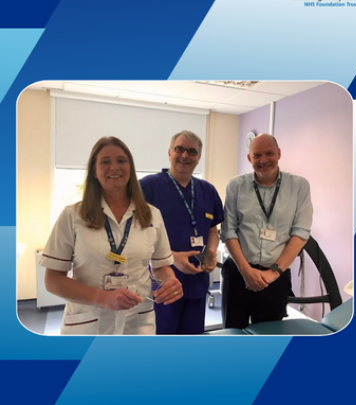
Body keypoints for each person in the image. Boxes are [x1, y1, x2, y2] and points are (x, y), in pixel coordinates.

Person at [39, 136, 183, 335]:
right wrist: (101, 297)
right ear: (94, 172)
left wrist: (169, 282)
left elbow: (161, 267)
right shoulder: (73, 216)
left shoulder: (152, 215)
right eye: (105, 161)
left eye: (121, 161)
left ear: (130, 169)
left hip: (138, 323)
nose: (114, 167)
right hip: (88, 324)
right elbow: (52, 280)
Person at [221, 134, 313, 329]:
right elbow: (229, 231)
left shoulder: (298, 186)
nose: (263, 160)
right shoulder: (236, 186)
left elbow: (301, 233)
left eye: (269, 153)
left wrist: (272, 274)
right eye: (257, 155)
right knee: (232, 333)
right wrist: (247, 272)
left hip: (275, 278)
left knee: (269, 335)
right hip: (238, 274)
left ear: (279, 153)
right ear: (249, 158)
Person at [140, 131, 224, 334]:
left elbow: (213, 230)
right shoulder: (147, 187)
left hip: (197, 280)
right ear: (169, 152)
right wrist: (172, 258)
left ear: (199, 158)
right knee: (162, 340)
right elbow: (135, 236)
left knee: (192, 338)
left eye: (192, 151)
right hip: (161, 281)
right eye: (180, 149)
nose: (185, 156)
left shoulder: (207, 190)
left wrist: (211, 251)